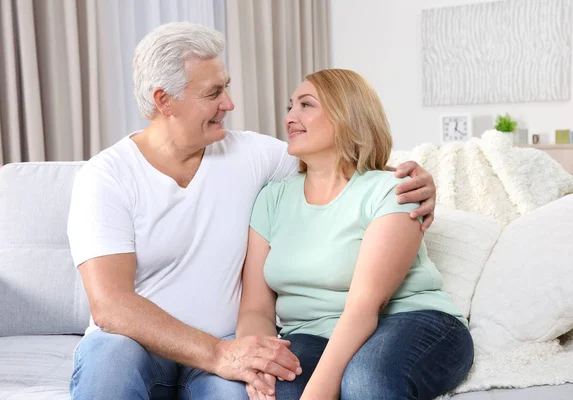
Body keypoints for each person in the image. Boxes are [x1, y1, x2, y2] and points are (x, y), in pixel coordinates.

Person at [67, 23, 438, 399]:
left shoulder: (254, 155)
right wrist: (217, 353)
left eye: (226, 86)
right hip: (143, 347)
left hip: (231, 345)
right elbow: (111, 306)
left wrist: (413, 180)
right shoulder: (105, 176)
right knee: (108, 362)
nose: (229, 104)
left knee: (247, 394)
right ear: (164, 101)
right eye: (213, 93)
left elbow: (340, 167)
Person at [236, 69, 473, 400]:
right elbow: (256, 310)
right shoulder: (272, 198)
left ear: (347, 115)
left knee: (365, 381)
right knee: (277, 390)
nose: (290, 117)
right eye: (290, 106)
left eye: (306, 105)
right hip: (311, 333)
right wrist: (259, 364)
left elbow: (365, 306)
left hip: (410, 320)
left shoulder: (391, 190)